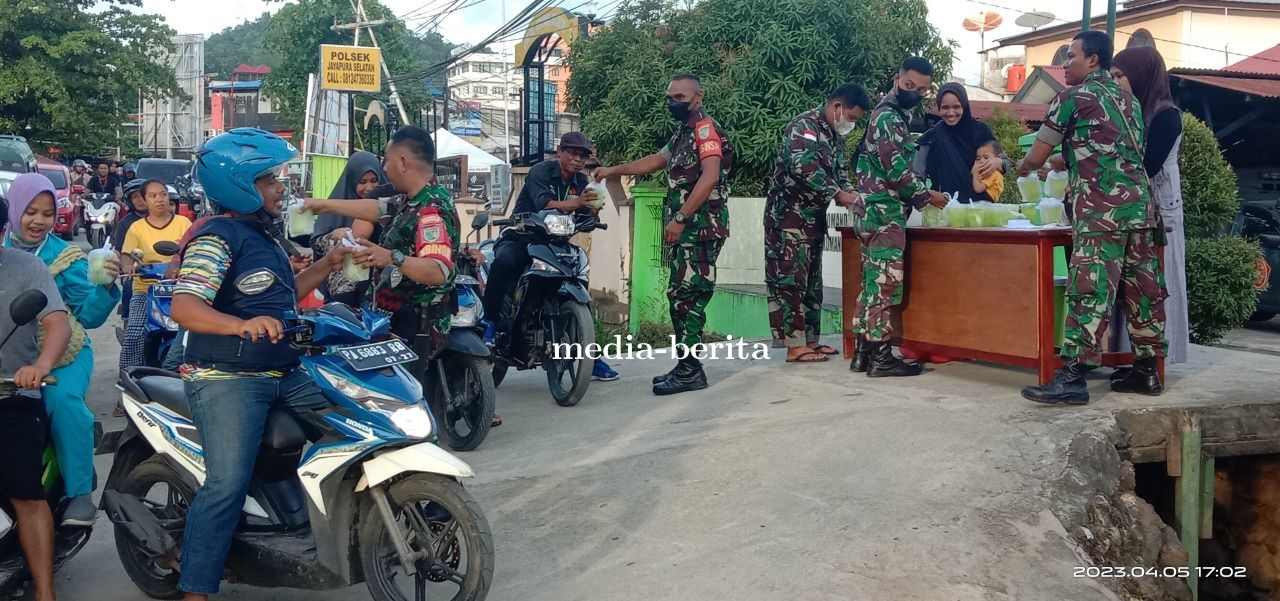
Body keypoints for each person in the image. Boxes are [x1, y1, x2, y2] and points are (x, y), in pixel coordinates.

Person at [170, 128, 350, 601]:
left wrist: (328, 264)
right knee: (225, 486)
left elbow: (282, 295)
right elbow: (185, 307)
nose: (280, 187)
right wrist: (238, 326)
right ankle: (195, 591)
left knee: (354, 424)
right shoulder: (215, 239)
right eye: (270, 179)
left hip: (284, 369)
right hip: (226, 377)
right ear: (240, 185)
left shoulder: (262, 235)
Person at [1017, 31, 1166, 405]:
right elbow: (1097, 150)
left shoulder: (1071, 98)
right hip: (1142, 213)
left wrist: (1020, 166)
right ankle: (1146, 372)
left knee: (1090, 292)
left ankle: (1072, 378)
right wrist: (1057, 160)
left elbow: (1036, 157)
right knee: (1142, 292)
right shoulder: (1128, 100)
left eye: (1071, 56)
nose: (1066, 63)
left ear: (1093, 60)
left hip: (1102, 214)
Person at [595, 74, 735, 395]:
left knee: (690, 298)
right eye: (670, 98)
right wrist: (615, 170)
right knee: (678, 297)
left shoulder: (705, 131)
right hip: (687, 231)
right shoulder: (683, 134)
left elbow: (710, 176)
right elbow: (656, 161)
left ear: (698, 96)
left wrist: (681, 217)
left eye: (679, 98)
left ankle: (690, 371)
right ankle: (687, 366)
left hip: (700, 228)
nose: (673, 103)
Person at [2, 173, 121, 528]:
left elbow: (88, 315)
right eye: (30, 211)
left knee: (62, 404)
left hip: (63, 352)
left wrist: (105, 285)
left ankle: (80, 492)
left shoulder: (66, 258)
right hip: (9, 352)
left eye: (48, 214)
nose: (38, 221)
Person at [301, 126, 460, 380]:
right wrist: (323, 204)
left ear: (403, 162)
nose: (384, 168)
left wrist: (391, 257)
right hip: (395, 320)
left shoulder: (431, 210)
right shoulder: (411, 200)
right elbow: (377, 208)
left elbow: (437, 270)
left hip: (415, 324)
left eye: (386, 160)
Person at [481, 131, 619, 382]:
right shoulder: (540, 172)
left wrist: (593, 212)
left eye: (583, 156)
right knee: (504, 262)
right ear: (560, 152)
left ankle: (590, 354)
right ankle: (489, 324)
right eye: (573, 153)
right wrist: (578, 203)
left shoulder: (581, 181)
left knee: (579, 278)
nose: (578, 160)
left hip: (556, 243)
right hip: (522, 237)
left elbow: (585, 217)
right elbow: (544, 204)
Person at [849, 57, 949, 377]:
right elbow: (897, 171)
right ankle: (881, 356)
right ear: (897, 79)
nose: (914, 93)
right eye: (909, 86)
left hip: (871, 209)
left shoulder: (888, 114)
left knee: (871, 283)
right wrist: (926, 197)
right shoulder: (889, 117)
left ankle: (863, 352)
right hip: (884, 212)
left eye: (921, 90)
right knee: (884, 285)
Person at [764, 83, 869, 363]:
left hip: (813, 220)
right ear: (837, 107)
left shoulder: (835, 136)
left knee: (812, 282)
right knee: (789, 281)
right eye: (852, 117)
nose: (852, 124)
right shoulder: (804, 126)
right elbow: (803, 167)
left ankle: (811, 340)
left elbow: (838, 173)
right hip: (787, 219)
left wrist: (852, 192)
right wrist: (839, 194)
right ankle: (793, 345)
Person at [0, 205, 72, 601]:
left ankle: (45, 592)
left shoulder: (26, 266)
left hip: (11, 394)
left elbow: (56, 321)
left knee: (26, 494)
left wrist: (40, 365)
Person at [1111, 45, 1188, 366]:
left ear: (1140, 75)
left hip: (1162, 214)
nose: (1116, 83)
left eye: (1120, 76)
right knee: (1135, 286)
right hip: (1138, 212)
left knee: (1160, 284)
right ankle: (1131, 358)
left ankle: (1159, 361)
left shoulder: (1165, 116)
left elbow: (1147, 166)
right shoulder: (1135, 112)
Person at [118, 179, 191, 376]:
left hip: (181, 290)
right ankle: (128, 383)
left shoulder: (184, 224)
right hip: (145, 289)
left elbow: (192, 250)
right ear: (144, 201)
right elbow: (126, 254)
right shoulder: (137, 228)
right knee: (133, 336)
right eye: (153, 196)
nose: (159, 199)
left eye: (163, 194)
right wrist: (127, 266)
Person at [309, 150, 386, 307]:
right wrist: (333, 236)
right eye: (362, 181)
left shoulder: (388, 207)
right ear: (351, 180)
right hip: (343, 292)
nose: (369, 187)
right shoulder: (337, 205)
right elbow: (316, 242)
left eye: (374, 180)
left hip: (379, 291)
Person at [912, 82, 1010, 204]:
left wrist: (997, 162)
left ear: (964, 105)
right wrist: (928, 195)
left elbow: (1006, 162)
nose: (951, 113)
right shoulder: (931, 137)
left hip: (981, 209)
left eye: (956, 107)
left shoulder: (981, 131)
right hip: (946, 208)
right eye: (945, 107)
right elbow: (915, 177)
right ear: (939, 108)